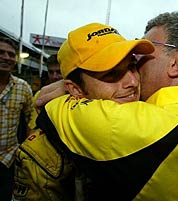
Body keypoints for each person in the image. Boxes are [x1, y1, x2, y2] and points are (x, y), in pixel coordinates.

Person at [35, 13, 178, 201]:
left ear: (177, 63)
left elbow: (48, 105)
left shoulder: (144, 127)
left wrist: (72, 87)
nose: (136, 60)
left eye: (140, 56)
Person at [13, 24, 155, 201]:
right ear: (75, 89)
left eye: (133, 67)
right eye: (111, 74)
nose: (133, 82)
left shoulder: (157, 105)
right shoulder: (42, 156)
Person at [0, 36, 33, 201]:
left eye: (11, 54)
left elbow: (30, 121)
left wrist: (25, 153)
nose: (6, 57)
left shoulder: (23, 87)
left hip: (8, 159)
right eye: (1, 52)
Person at [28, 54, 62, 131]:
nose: (54, 76)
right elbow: (32, 127)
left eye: (59, 72)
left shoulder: (76, 95)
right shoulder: (40, 94)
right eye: (51, 72)